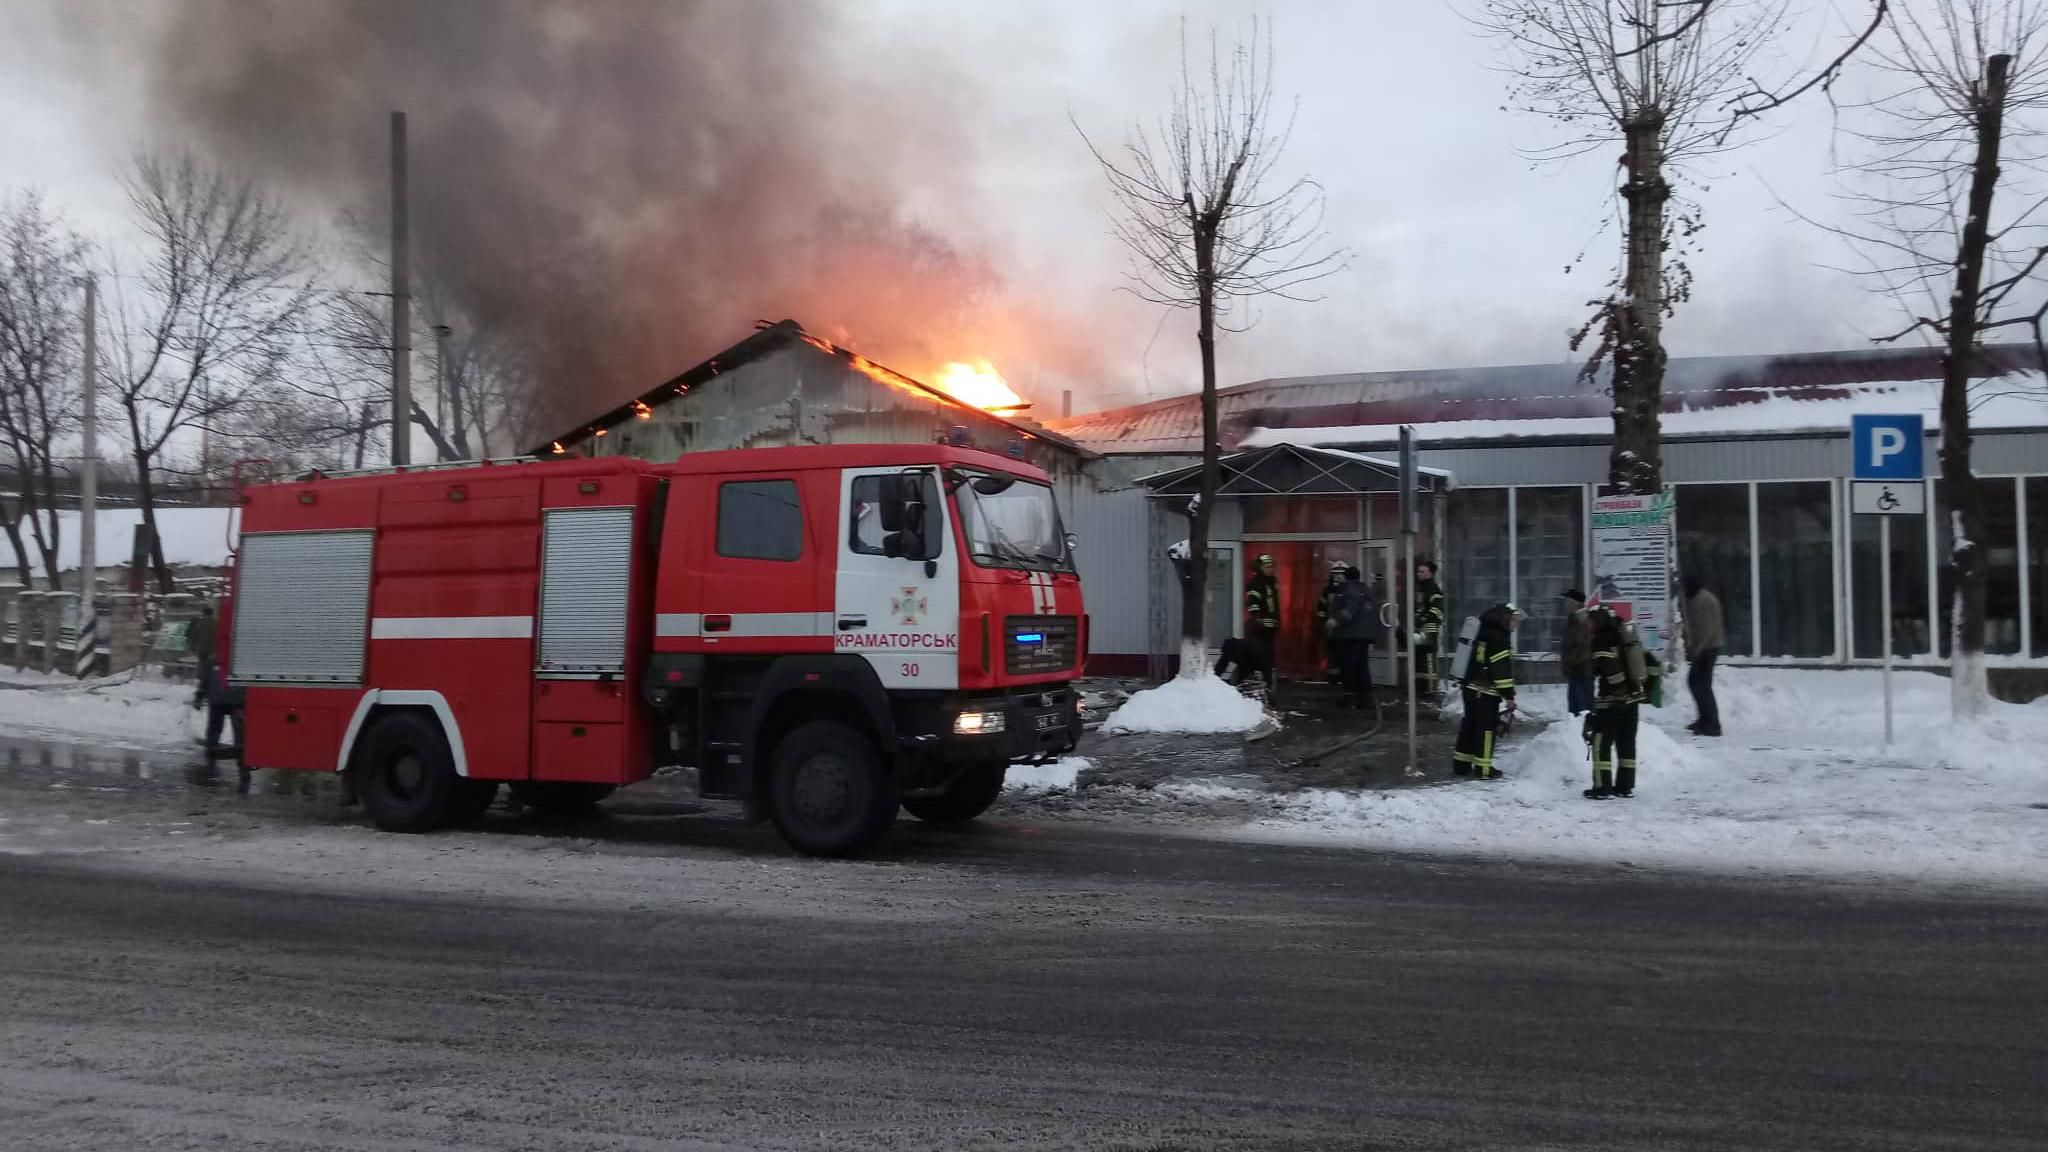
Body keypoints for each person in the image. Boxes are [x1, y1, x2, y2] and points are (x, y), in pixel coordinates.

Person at [1584, 605, 1645, 799]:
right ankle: (1625, 786)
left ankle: (1602, 788)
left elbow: (1610, 669)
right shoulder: (1624, 636)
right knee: (1626, 744)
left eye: (1591, 621)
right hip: (1631, 701)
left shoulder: (1602, 640)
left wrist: (1616, 687)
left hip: (1611, 702)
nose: (1589, 625)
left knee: (1601, 743)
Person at [1452, 602, 1518, 780]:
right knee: (1487, 728)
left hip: (1470, 688)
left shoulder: (1482, 632)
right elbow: (1501, 671)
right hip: (1487, 692)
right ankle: (1484, 768)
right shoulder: (1500, 638)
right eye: (1513, 620)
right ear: (1505, 620)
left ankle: (1461, 764)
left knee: (1470, 724)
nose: (1515, 624)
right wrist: (1509, 697)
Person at [1327, 565, 1378, 710]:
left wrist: (1335, 621)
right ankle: (1364, 698)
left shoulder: (1348, 590)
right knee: (1362, 666)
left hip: (1349, 635)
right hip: (1364, 635)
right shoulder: (1365, 589)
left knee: (1349, 667)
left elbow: (1350, 609)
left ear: (1345, 576)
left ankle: (1350, 698)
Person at [1682, 574, 1724, 737]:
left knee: (1702, 685)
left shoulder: (1702, 601)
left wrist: (1696, 650)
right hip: (1706, 646)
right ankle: (1705, 719)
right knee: (1696, 683)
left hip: (1708, 647)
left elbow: (1706, 629)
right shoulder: (1698, 598)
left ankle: (1712, 725)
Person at [1413, 559, 1446, 706]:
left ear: (1430, 573)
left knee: (1428, 658)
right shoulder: (1420, 588)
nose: (1418, 574)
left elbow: (1437, 609)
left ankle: (1431, 689)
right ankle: (1420, 688)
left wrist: (1424, 618)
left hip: (1429, 627)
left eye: (1422, 571)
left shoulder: (1433, 589)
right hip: (1419, 626)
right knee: (1419, 657)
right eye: (1418, 571)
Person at [1561, 588, 1595, 715]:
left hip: (1582, 673)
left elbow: (1583, 647)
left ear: (1575, 603)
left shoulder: (1583, 621)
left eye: (1567, 601)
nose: (1565, 604)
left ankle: (1586, 733)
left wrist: (1569, 663)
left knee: (1583, 711)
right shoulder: (1573, 620)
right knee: (1574, 712)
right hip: (1575, 673)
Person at [1313, 560, 1346, 683]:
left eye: (1341, 573)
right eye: (1335, 573)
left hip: (1345, 629)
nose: (1338, 576)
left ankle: (1344, 678)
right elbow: (1321, 608)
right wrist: (1322, 623)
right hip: (1331, 630)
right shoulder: (1327, 590)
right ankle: (1333, 679)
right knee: (1332, 655)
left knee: (1344, 655)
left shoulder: (1348, 590)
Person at [187, 604, 218, 709]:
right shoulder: (217, 623)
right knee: (212, 673)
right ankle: (208, 693)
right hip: (214, 652)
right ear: (212, 613)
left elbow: (193, 637)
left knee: (204, 672)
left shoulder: (199, 624)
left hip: (202, 651)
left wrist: (192, 648)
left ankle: (200, 695)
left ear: (204, 614)